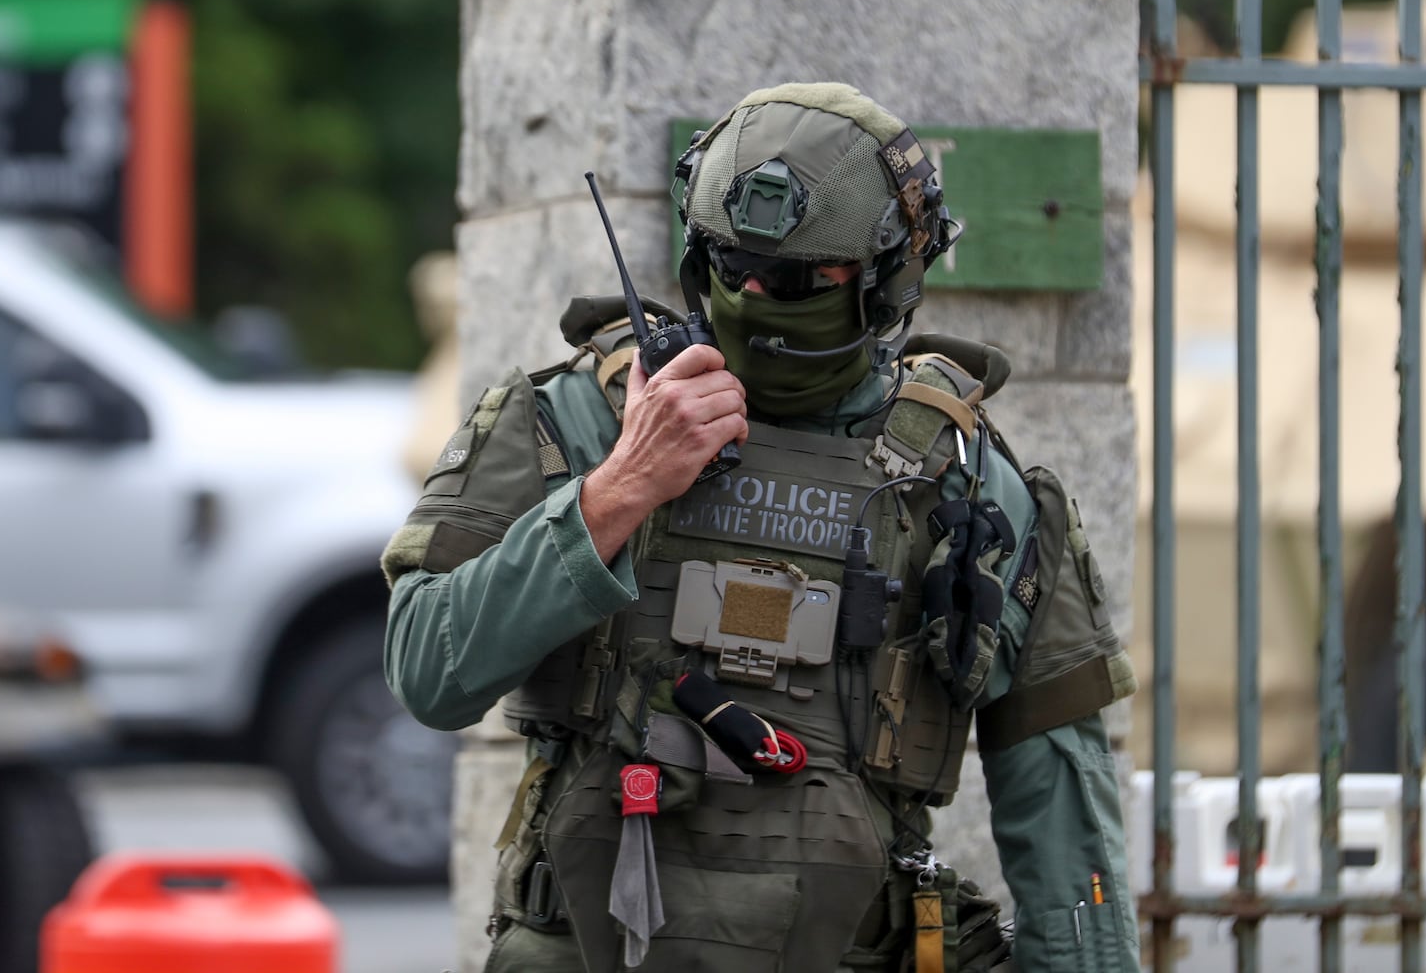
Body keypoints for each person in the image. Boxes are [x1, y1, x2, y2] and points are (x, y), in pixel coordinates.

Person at [382, 82, 1141, 972]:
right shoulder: (571, 423)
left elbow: (1066, 842)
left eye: (792, 280)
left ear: (889, 278)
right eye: (728, 264)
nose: (752, 295)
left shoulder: (970, 486)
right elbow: (427, 670)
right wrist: (617, 491)